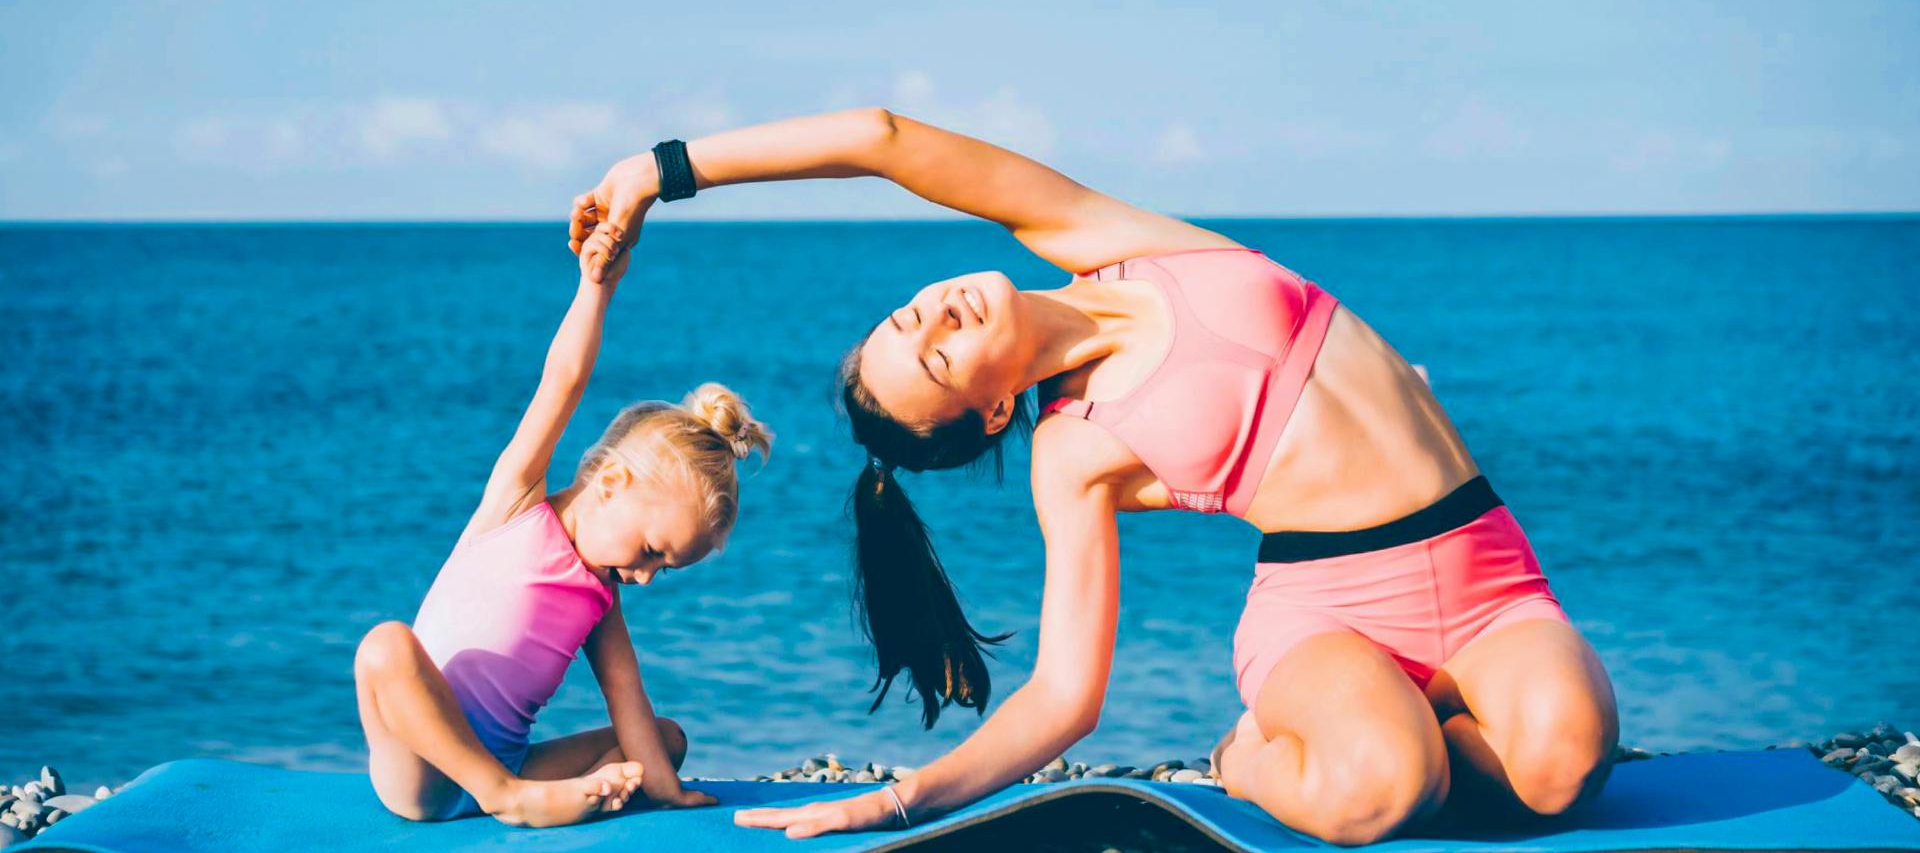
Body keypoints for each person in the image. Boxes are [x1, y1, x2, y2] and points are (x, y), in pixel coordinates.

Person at [570, 110, 1617, 845]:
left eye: (909, 317)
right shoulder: (1072, 449)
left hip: (1487, 570)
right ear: (988, 412)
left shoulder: (1107, 240)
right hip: (1331, 613)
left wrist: (660, 170)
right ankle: (1253, 752)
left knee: (1565, 765)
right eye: (933, 359)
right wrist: (906, 800)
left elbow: (881, 141)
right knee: (1384, 790)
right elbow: (1069, 693)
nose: (935, 316)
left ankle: (1426, 728)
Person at [352, 227, 772, 826]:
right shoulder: (515, 507)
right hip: (421, 771)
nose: (646, 578)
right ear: (610, 484)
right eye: (652, 551)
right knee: (384, 647)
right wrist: (595, 288)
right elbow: (562, 383)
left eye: (664, 568)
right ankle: (510, 799)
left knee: (664, 741)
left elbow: (626, 697)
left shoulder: (602, 598)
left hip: (508, 764)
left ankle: (551, 791)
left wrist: (670, 793)